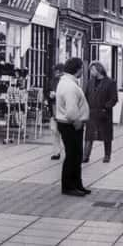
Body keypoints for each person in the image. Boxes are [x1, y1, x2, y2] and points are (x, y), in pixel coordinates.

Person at [55, 57, 90, 196]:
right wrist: (77, 122)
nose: (83, 70)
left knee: (76, 155)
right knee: (72, 155)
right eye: (81, 67)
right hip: (71, 124)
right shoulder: (69, 86)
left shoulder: (68, 82)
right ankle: (68, 186)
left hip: (70, 124)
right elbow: (71, 110)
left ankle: (77, 184)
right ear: (77, 69)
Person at [83, 61, 117, 163]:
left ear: (99, 69)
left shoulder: (110, 82)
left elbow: (114, 98)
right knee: (89, 135)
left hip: (104, 113)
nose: (91, 72)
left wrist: (105, 108)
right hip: (92, 112)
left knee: (106, 135)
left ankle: (107, 155)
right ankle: (85, 155)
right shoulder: (90, 82)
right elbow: (85, 96)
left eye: (92, 70)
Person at [47, 64, 65, 160]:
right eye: (56, 72)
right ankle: (56, 152)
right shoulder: (52, 81)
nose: (56, 74)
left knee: (62, 131)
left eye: (58, 71)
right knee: (54, 131)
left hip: (63, 110)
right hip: (54, 108)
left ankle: (62, 151)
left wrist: (56, 95)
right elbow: (48, 91)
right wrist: (50, 95)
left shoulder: (66, 82)